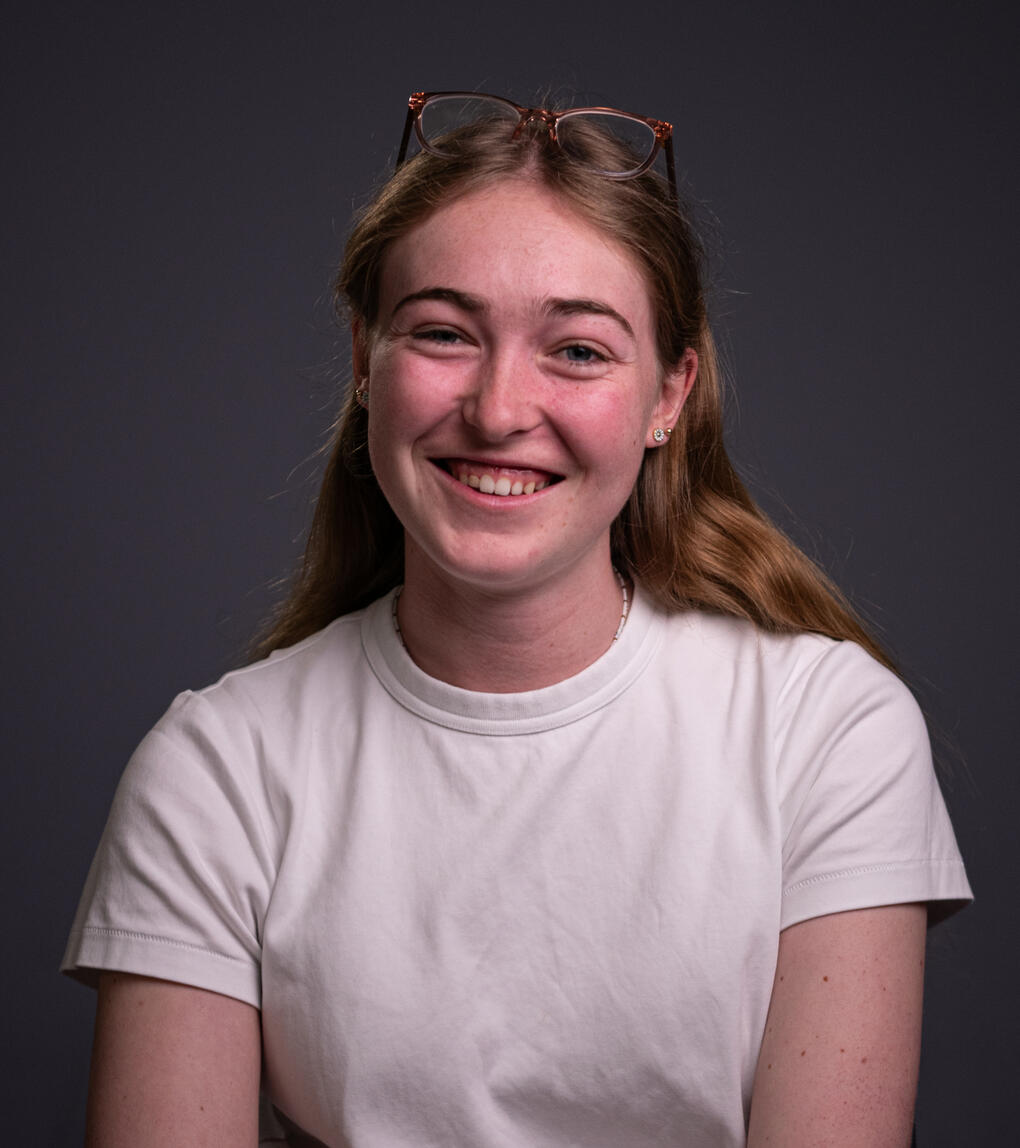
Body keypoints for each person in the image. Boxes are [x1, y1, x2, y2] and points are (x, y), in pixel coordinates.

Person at [63, 91, 972, 1147]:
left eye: (578, 350)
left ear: (669, 395)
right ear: (364, 361)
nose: (498, 410)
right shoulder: (214, 770)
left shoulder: (827, 729)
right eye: (444, 333)